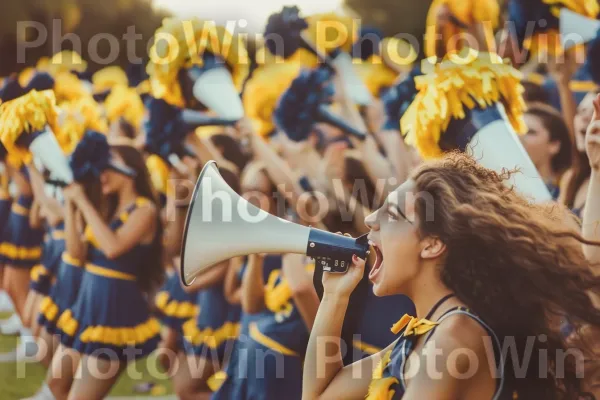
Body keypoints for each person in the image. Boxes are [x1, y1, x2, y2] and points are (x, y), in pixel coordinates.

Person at [303, 152, 600, 399]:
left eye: (391, 215)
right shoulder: (425, 332)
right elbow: (319, 397)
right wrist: (335, 295)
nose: (370, 220)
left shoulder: (453, 337)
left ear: (432, 244)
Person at [47, 141, 163, 400]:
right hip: (88, 305)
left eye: (107, 167)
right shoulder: (106, 208)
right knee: (56, 383)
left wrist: (83, 203)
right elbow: (76, 254)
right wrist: (71, 205)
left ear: (130, 172)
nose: (101, 175)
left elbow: (113, 248)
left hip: (115, 311)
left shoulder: (145, 210)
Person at [521, 102, 573, 198]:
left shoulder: (566, 195)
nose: (519, 137)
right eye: (516, 131)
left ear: (554, 145)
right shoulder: (501, 187)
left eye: (530, 132)